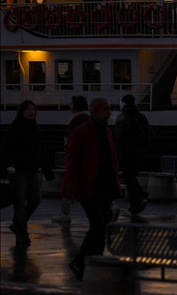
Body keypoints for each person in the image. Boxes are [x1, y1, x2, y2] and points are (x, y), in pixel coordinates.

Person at [62, 98, 121, 281]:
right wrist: (71, 189)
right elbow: (72, 161)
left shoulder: (107, 132)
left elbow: (111, 161)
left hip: (103, 186)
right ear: (95, 111)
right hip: (89, 187)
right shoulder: (83, 133)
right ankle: (84, 260)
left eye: (109, 108)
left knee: (100, 227)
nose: (109, 112)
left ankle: (89, 261)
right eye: (105, 108)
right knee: (99, 225)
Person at [1, 100, 55, 247]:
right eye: (28, 109)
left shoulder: (35, 129)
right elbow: (6, 150)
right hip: (19, 170)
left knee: (34, 200)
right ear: (23, 111)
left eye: (33, 109)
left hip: (31, 170)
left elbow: (42, 151)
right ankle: (21, 235)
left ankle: (18, 225)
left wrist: (47, 171)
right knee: (20, 202)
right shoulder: (16, 129)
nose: (31, 112)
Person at [53, 95, 89, 224]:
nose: (69, 105)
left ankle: (65, 213)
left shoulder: (76, 121)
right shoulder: (89, 119)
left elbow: (74, 141)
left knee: (67, 186)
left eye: (71, 103)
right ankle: (110, 207)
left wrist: (67, 146)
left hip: (75, 159)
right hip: (87, 159)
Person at [114, 94, 151, 215]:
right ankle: (135, 205)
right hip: (140, 152)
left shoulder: (122, 117)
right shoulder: (141, 117)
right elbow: (150, 133)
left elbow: (119, 137)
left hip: (126, 153)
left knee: (129, 178)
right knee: (132, 177)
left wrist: (118, 152)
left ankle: (140, 197)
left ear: (124, 103)